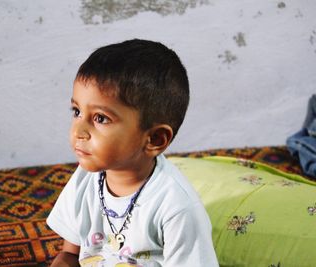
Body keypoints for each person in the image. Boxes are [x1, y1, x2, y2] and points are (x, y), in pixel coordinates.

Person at [47, 39, 218, 266]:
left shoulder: (177, 208)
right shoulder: (84, 179)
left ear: (154, 139)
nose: (79, 131)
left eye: (100, 118)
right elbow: (69, 254)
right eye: (77, 111)